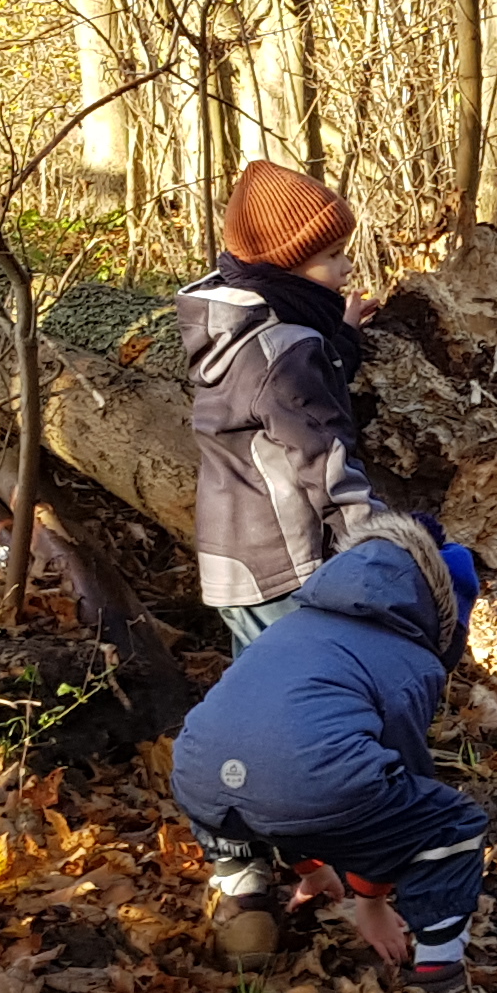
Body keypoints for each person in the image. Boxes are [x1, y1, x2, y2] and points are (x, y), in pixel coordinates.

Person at [168, 510, 488, 983]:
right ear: (439, 612)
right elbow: (396, 784)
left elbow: (271, 747)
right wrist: (371, 900)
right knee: (450, 825)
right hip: (301, 786)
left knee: (251, 784)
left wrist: (314, 867)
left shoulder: (286, 628)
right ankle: (439, 972)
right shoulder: (412, 661)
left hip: (198, 779)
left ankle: (245, 903)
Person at [178, 160, 375, 650]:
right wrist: (376, 543)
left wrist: (342, 334)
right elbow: (322, 458)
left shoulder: (237, 326)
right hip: (283, 563)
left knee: (262, 690)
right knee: (302, 690)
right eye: (333, 255)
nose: (347, 266)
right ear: (287, 263)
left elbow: (304, 384)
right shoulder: (287, 350)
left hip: (236, 559)